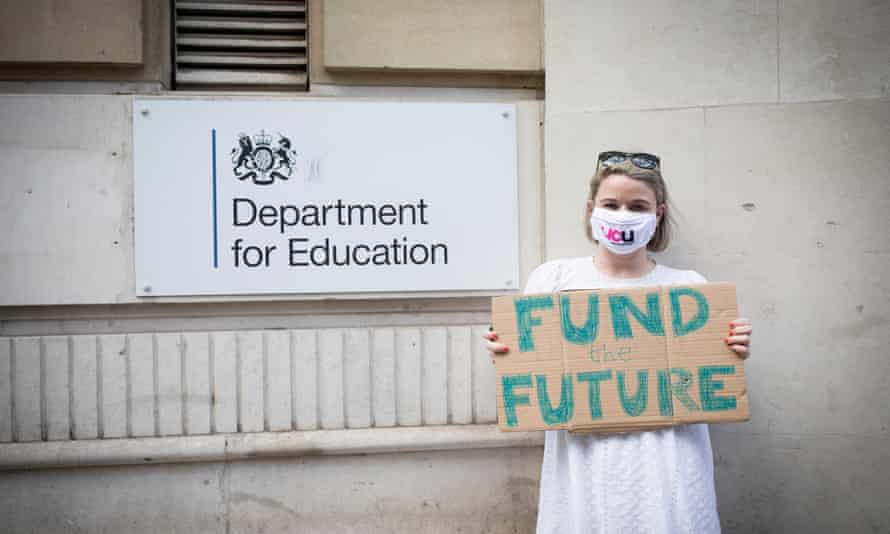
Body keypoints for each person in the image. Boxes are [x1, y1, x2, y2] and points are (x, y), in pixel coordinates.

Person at [483, 150, 752, 534]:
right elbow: (534, 371)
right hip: (583, 466)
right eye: (612, 204)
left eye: (637, 206)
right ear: (593, 209)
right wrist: (506, 352)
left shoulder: (689, 288)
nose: (623, 215)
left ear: (657, 214)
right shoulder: (554, 281)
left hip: (667, 466)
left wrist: (730, 349)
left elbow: (708, 379)